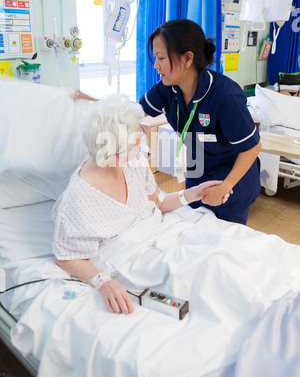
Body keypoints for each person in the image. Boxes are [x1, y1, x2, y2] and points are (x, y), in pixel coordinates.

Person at [52, 95, 231, 315]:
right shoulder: (80, 197)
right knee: (205, 276)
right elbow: (67, 257)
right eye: (136, 142)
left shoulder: (133, 162)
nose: (141, 146)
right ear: (113, 150)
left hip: (163, 235)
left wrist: (192, 194)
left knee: (219, 257)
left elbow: (159, 201)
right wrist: (103, 282)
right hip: (134, 258)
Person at [139, 19, 261, 225]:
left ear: (187, 58)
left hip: (231, 176)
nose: (155, 65)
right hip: (197, 170)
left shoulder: (225, 95)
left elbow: (253, 147)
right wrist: (89, 103)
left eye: (161, 58)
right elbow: (134, 112)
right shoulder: (167, 88)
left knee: (223, 238)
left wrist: (225, 186)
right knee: (194, 232)